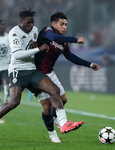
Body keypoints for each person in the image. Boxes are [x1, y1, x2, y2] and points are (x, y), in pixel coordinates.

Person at [0, 8, 84, 143]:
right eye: (28, 23)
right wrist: (38, 49)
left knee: (54, 92)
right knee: (14, 102)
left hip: (33, 70)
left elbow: (36, 45)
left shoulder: (34, 30)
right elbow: (17, 55)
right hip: (18, 70)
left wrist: (37, 48)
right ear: (21, 21)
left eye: (32, 22)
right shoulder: (14, 33)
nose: (31, 25)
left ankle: (63, 124)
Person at [35, 12, 99, 143]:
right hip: (38, 74)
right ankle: (55, 130)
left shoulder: (63, 42)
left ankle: (56, 120)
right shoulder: (47, 32)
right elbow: (53, 36)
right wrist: (75, 39)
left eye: (66, 24)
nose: (64, 27)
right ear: (53, 24)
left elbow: (70, 56)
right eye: (61, 24)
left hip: (50, 73)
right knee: (47, 107)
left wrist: (89, 64)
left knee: (63, 99)